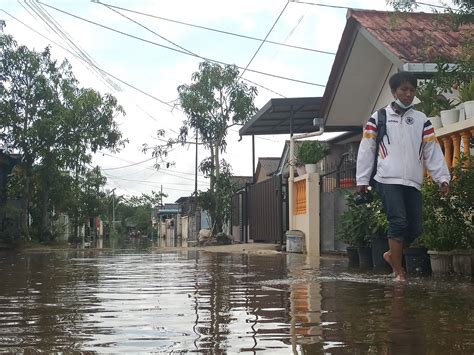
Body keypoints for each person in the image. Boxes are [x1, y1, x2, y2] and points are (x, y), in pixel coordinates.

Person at [356, 71, 450, 282]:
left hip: (412, 180)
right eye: (403, 89)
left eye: (411, 90)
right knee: (397, 221)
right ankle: (398, 272)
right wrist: (362, 179)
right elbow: (366, 148)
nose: (408, 94)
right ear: (394, 91)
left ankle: (392, 255)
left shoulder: (421, 120)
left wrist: (442, 178)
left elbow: (431, 150)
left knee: (415, 227)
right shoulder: (378, 117)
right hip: (387, 178)